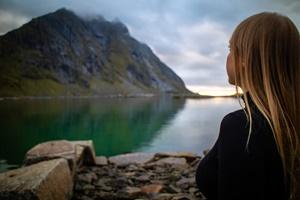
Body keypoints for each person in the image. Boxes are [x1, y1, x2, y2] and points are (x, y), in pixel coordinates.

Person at [195, 12, 300, 200]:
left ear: (245, 59)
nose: (227, 57)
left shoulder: (242, 127)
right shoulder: (292, 120)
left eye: (231, 49)